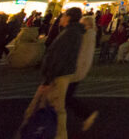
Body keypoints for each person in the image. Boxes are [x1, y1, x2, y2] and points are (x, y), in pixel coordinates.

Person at [19, 8, 84, 139]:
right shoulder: (73, 32)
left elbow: (59, 56)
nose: (60, 18)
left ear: (69, 17)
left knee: (54, 107)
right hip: (61, 73)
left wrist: (48, 80)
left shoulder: (70, 33)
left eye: (63, 16)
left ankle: (36, 131)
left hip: (58, 75)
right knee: (54, 107)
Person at [66, 16, 99, 132]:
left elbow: (79, 53)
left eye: (82, 23)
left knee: (66, 97)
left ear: (87, 25)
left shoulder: (85, 36)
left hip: (75, 69)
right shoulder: (89, 35)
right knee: (65, 96)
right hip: (78, 69)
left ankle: (86, 114)